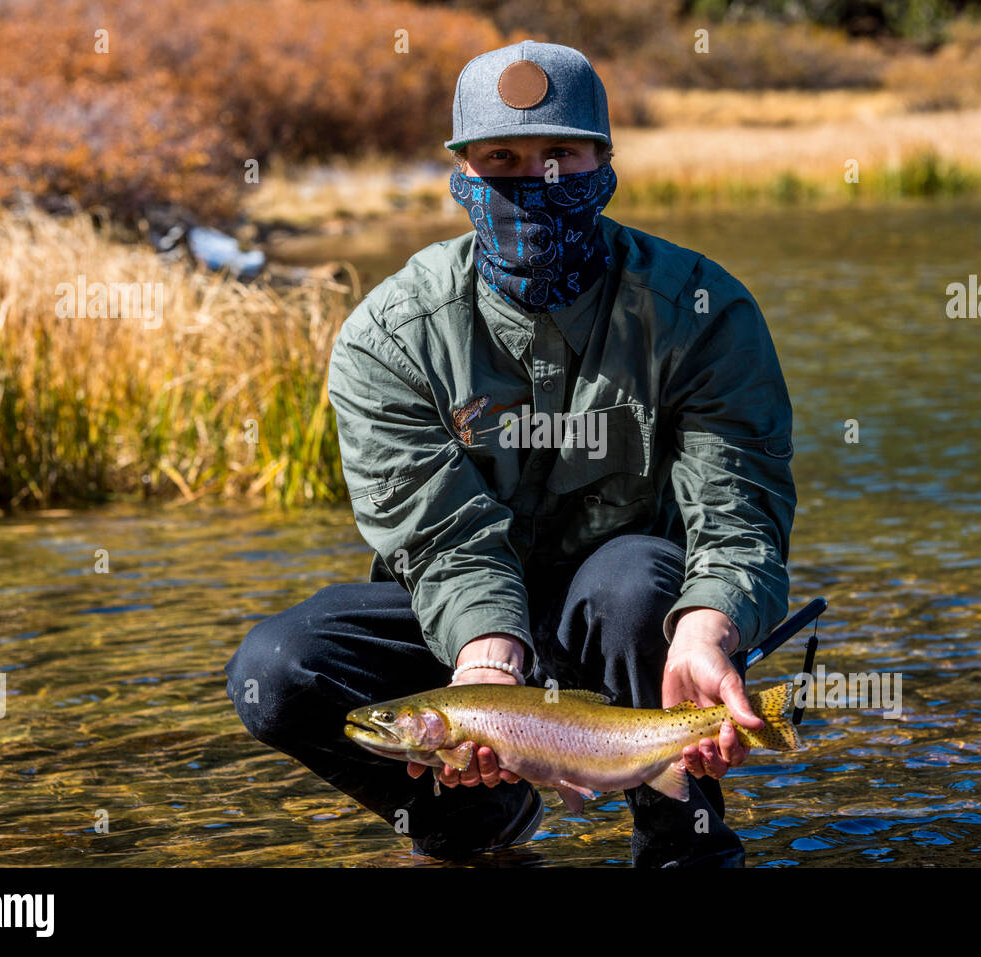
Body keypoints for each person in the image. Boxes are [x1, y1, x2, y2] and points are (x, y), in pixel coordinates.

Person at [225, 40, 796, 868]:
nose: (537, 180)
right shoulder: (390, 338)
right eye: (503, 159)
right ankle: (478, 815)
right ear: (461, 172)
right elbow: (439, 537)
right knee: (275, 669)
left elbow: (737, 509)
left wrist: (711, 624)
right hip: (459, 633)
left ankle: (683, 841)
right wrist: (486, 665)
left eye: (562, 154)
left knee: (640, 582)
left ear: (606, 161)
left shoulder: (702, 311)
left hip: (628, 620)